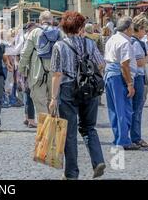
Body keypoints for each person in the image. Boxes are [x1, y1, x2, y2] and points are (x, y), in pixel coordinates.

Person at [49, 11, 106, 180]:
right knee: (89, 127)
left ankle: (71, 174)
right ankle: (98, 161)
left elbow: (57, 74)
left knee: (70, 132)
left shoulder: (59, 46)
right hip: (89, 88)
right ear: (81, 27)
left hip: (67, 89)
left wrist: (53, 98)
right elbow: (101, 64)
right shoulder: (90, 43)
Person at [103, 16, 139, 150]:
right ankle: (123, 140)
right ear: (128, 28)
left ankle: (118, 137)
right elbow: (125, 65)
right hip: (119, 76)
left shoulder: (111, 39)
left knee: (113, 109)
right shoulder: (125, 42)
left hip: (110, 74)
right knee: (124, 109)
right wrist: (130, 84)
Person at [19, 11, 62, 116]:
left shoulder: (34, 32)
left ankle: (44, 129)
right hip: (54, 72)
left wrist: (22, 69)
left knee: (40, 103)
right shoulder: (59, 33)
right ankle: (53, 127)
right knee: (53, 101)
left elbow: (25, 53)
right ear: (52, 21)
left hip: (37, 72)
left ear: (40, 21)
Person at [130, 14, 148, 148]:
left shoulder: (131, 41)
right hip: (137, 77)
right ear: (139, 28)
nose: (145, 33)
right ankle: (136, 137)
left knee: (134, 108)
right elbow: (139, 62)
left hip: (134, 77)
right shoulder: (136, 43)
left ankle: (134, 136)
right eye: (144, 30)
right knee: (137, 109)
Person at [19, 22, 37, 128]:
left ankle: (27, 117)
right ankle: (30, 119)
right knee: (29, 94)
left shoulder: (22, 38)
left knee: (27, 94)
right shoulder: (29, 38)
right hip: (29, 69)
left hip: (24, 69)